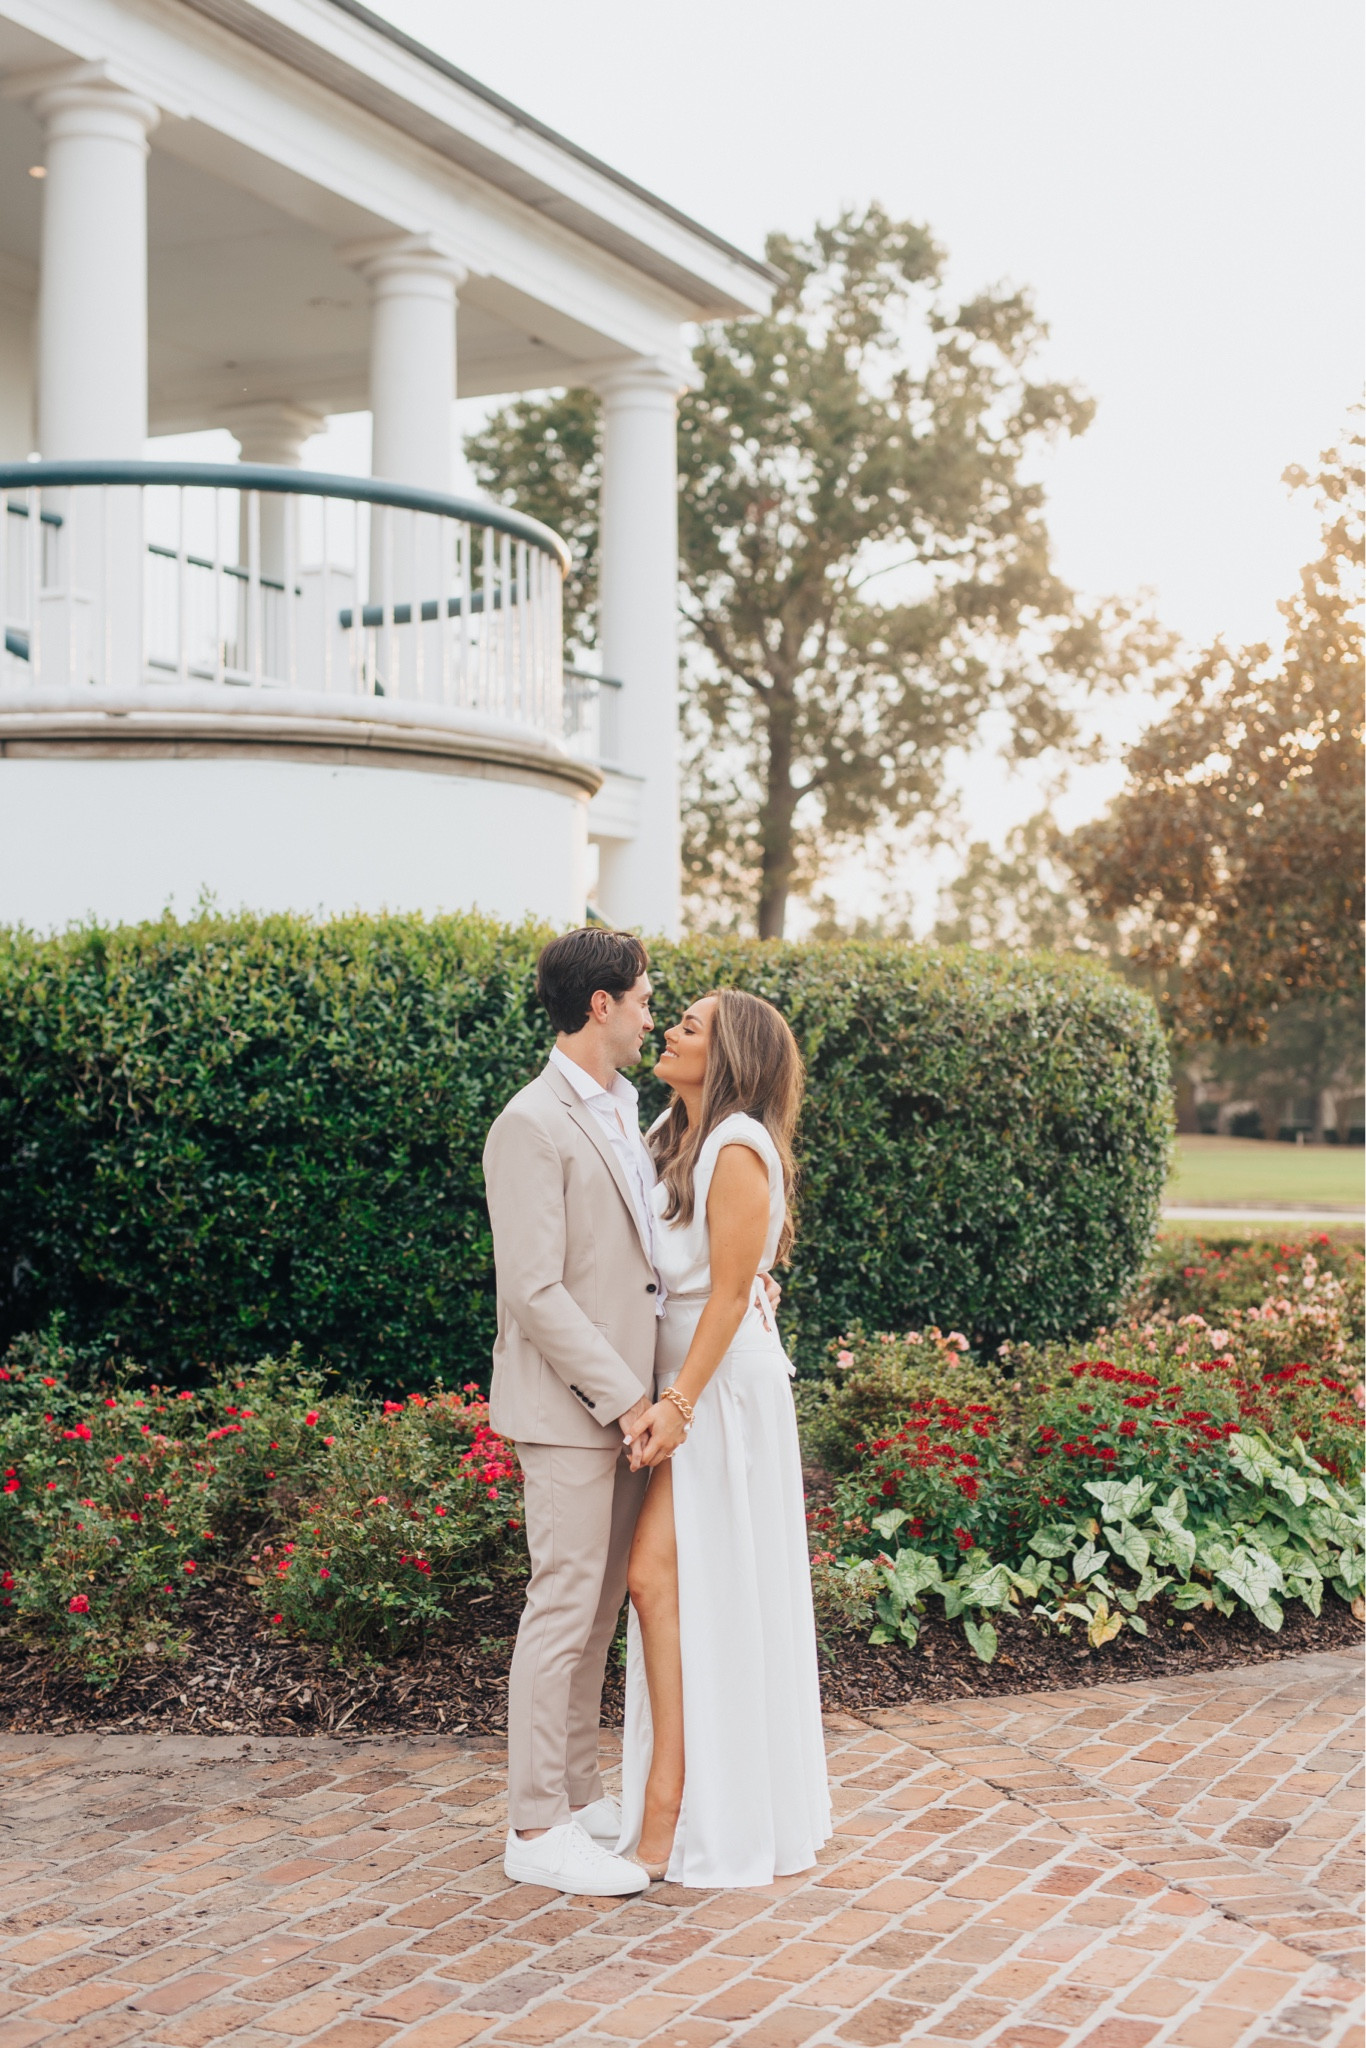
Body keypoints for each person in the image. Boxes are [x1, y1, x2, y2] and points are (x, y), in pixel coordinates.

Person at [618, 989, 832, 1887]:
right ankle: (677, 1790)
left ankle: (676, 1798)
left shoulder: (737, 1149)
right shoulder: (677, 1137)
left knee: (660, 1577)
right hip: (689, 1384)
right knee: (664, 1584)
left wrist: (679, 1405)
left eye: (691, 1025)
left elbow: (734, 1296)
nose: (669, 1029)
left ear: (732, 1054)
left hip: (717, 1391)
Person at [483, 927, 661, 1896]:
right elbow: (535, 1289)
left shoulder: (623, 1108)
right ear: (599, 1003)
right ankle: (532, 1822)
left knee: (596, 1611)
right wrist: (627, 1394)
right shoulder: (530, 1121)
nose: (650, 1010)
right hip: (568, 1410)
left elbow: (634, 1261)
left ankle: (580, 1793)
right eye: (640, 994)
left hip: (621, 1411)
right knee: (558, 1610)